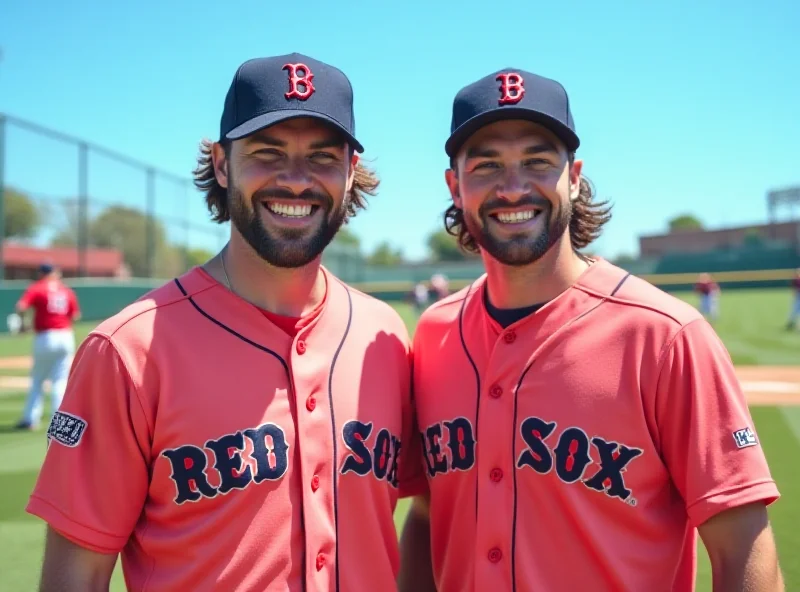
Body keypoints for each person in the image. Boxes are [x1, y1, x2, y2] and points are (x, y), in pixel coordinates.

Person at [26, 53, 421, 592]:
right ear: (221, 163)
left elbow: (422, 516)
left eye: (322, 157)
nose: (295, 180)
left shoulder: (386, 338)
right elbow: (76, 577)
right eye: (267, 153)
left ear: (351, 172)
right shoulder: (129, 349)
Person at [398, 67, 784, 591]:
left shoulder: (666, 337)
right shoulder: (435, 334)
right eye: (487, 166)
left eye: (537, 161)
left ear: (574, 177)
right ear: (455, 185)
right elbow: (426, 514)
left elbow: (743, 546)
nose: (513, 188)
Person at [14, 263, 80, 431]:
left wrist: (23, 324)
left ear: (41, 273)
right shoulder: (66, 290)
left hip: (45, 336)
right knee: (60, 380)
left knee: (38, 380)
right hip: (65, 336)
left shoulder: (37, 288)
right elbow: (76, 315)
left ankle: (30, 419)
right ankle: (58, 420)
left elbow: (21, 307)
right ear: (55, 273)